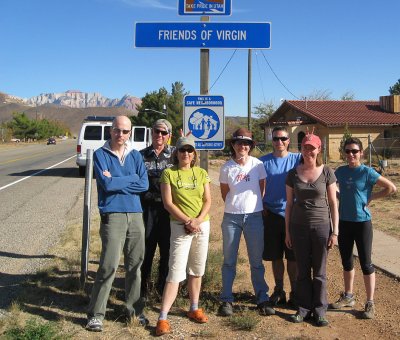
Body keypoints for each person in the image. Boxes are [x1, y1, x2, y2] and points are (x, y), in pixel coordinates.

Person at [86, 115, 149, 332]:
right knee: (108, 265)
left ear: (130, 133)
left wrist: (117, 181)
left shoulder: (135, 156)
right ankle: (96, 314)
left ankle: (134, 311)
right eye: (117, 130)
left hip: (135, 213)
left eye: (124, 131)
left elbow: (144, 184)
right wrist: (129, 178)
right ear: (110, 131)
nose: (120, 134)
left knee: (135, 265)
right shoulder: (101, 154)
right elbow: (106, 183)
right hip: (113, 213)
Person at [330, 137, 397, 319]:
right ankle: (348, 296)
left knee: (366, 263)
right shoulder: (340, 172)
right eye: (348, 151)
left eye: (354, 151)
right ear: (344, 154)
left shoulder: (367, 172)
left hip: (362, 224)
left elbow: (391, 188)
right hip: (344, 222)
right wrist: (336, 195)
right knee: (346, 261)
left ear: (361, 153)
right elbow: (335, 189)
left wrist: (372, 198)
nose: (351, 154)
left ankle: (370, 302)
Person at [155, 136, 211, 336]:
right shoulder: (169, 174)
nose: (186, 153)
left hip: (201, 226)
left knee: (197, 269)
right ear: (176, 153)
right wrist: (188, 221)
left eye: (189, 150)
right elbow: (168, 203)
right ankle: (162, 317)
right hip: (180, 227)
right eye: (182, 150)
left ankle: (194, 307)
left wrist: (198, 220)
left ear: (194, 154)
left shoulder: (201, 173)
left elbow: (208, 200)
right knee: (176, 272)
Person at [218, 128, 275, 317]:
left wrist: (252, 205)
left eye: (247, 143)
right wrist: (237, 205)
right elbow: (225, 194)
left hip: (254, 216)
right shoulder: (226, 168)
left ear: (251, 147)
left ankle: (262, 298)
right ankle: (226, 299)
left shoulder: (258, 165)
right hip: (231, 217)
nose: (243, 146)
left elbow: (262, 190)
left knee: (256, 261)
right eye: (239, 143)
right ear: (233, 145)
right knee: (229, 261)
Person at [285, 129, 338, 327]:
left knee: (320, 272)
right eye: (305, 147)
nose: (309, 151)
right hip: (298, 227)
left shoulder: (327, 172)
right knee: (302, 271)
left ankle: (320, 310)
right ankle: (303, 309)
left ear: (319, 149)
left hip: (321, 226)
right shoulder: (293, 173)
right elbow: (289, 204)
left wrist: (335, 231)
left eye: (312, 148)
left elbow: (333, 203)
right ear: (302, 149)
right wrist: (288, 232)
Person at [259, 126, 301, 307]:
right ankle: (279, 290)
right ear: (272, 140)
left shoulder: (298, 159)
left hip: (293, 216)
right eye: (276, 139)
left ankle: (295, 292)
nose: (279, 142)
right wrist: (260, 205)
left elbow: (316, 161)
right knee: (275, 256)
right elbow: (255, 187)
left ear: (288, 140)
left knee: (293, 258)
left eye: (283, 138)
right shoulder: (262, 162)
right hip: (272, 215)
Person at [140, 119, 175, 299]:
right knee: (146, 250)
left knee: (167, 251)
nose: (159, 135)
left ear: (169, 135)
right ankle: (142, 290)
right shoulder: (140, 155)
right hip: (147, 211)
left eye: (163, 132)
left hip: (169, 212)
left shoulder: (176, 155)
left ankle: (162, 288)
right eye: (156, 131)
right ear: (151, 132)